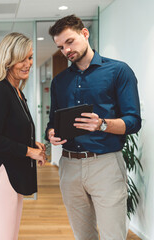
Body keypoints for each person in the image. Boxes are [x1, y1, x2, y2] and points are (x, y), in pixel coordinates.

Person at [46, 15, 141, 240]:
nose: (66, 50)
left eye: (69, 42)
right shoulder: (59, 82)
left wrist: (102, 124)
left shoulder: (119, 71)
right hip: (69, 166)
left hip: (105, 164)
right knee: (83, 236)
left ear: (85, 34)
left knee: (112, 235)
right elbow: (52, 122)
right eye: (61, 47)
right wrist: (51, 133)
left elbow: (133, 121)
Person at [0, 32, 47, 240]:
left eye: (30, 57)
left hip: (11, 177)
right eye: (22, 59)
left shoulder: (17, 92)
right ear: (8, 60)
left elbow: (9, 131)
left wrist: (32, 143)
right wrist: (29, 151)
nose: (28, 64)